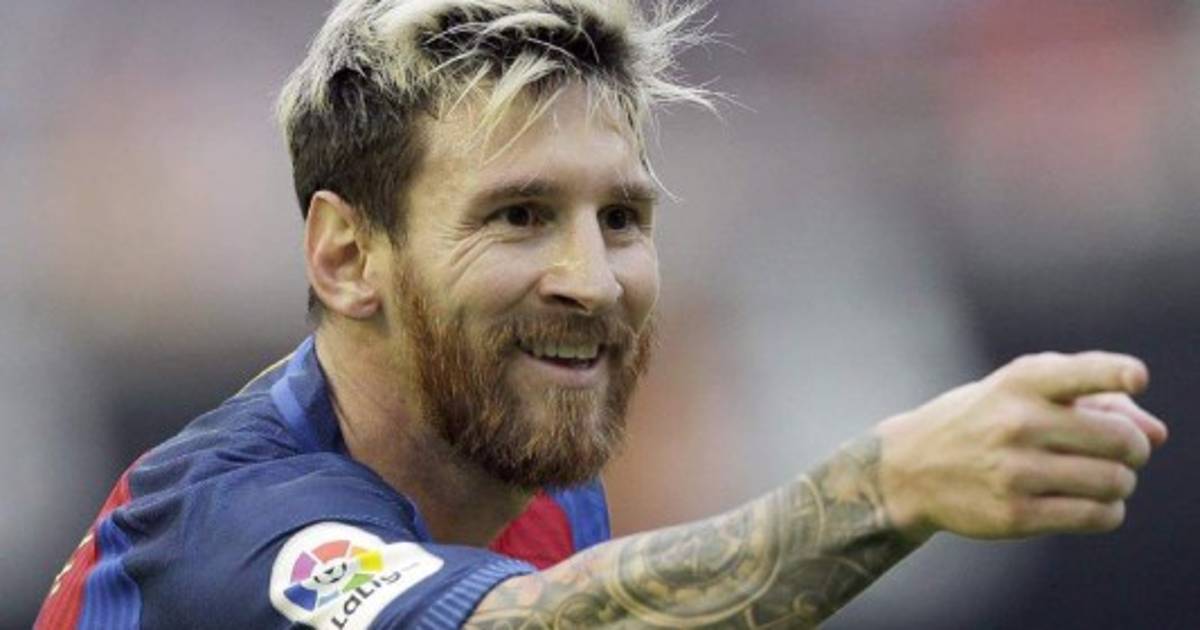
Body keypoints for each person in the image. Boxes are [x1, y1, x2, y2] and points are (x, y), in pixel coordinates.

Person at [37, 1, 1169, 628]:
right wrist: (888, 488)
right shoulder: (228, 521)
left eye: (621, 218)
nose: (594, 277)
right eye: (519, 217)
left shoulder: (530, 469)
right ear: (346, 256)